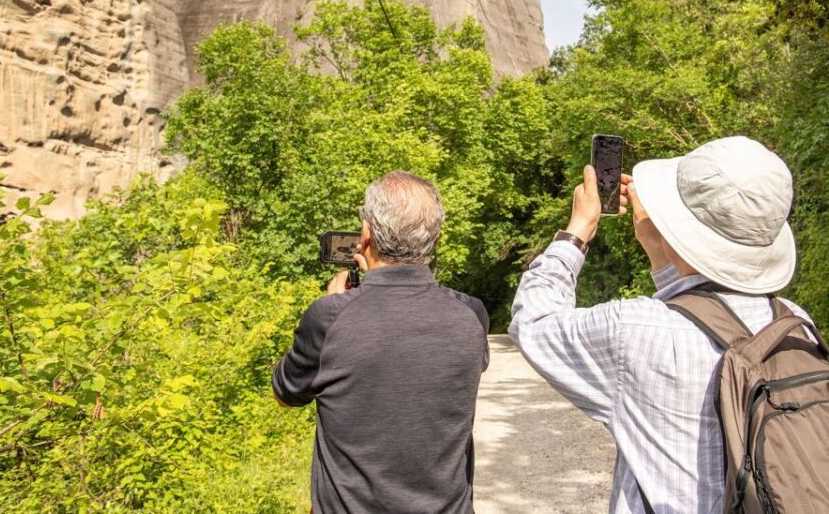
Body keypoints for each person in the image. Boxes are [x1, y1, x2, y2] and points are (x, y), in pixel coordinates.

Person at [509, 137, 813, 513]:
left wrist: (578, 231)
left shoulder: (632, 330)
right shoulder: (795, 322)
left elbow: (533, 322)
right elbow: (703, 312)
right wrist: (663, 254)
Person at [272, 171, 490, 513]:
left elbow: (285, 396)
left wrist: (336, 303)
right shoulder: (471, 314)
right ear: (434, 239)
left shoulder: (328, 318)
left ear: (366, 235)